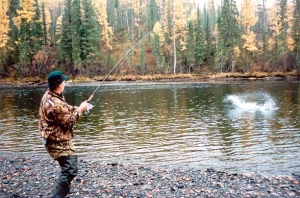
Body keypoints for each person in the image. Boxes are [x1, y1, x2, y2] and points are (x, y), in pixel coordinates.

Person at [38, 70, 89, 198]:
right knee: (69, 169)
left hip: (56, 137)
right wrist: (81, 110)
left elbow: (64, 108)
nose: (65, 83)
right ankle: (57, 196)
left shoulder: (51, 95)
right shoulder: (55, 103)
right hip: (56, 140)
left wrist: (76, 108)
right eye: (64, 81)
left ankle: (62, 194)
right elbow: (69, 123)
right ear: (59, 84)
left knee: (68, 168)